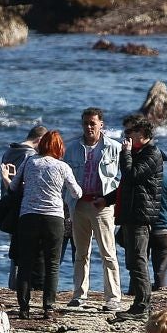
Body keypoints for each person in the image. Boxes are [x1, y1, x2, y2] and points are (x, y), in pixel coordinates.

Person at [9, 129, 81, 319]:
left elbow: (13, 186)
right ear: (59, 147)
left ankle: (24, 307)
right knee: (52, 264)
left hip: (28, 217)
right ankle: (48, 307)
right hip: (54, 219)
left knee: (25, 263)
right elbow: (76, 193)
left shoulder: (29, 161)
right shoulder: (62, 167)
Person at [64, 107, 123, 313]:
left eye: (92, 123)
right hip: (79, 205)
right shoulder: (71, 148)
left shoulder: (113, 148)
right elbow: (65, 178)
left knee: (108, 253)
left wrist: (107, 200)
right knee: (81, 253)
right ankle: (79, 295)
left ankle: (113, 297)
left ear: (101, 124)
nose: (89, 127)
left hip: (102, 206)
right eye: (86, 123)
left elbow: (121, 179)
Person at [109, 114, 162, 322]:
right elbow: (126, 187)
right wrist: (106, 199)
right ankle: (140, 303)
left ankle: (142, 305)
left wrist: (126, 153)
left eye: (130, 131)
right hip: (131, 214)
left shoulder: (152, 153)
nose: (126, 136)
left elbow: (131, 176)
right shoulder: (141, 152)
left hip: (140, 216)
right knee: (133, 260)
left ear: (143, 133)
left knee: (138, 260)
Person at [0, 125, 46, 290]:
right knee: (27, 253)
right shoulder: (30, 155)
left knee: (15, 252)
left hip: (9, 207)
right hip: (25, 209)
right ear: (39, 140)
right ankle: (21, 288)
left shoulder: (10, 151)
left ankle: (14, 286)